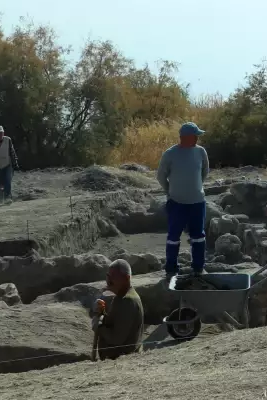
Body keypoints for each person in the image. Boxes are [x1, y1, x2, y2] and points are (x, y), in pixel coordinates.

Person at [157, 122, 211, 277]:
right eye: (195, 136)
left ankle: (198, 267)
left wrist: (196, 186)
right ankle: (171, 268)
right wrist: (170, 191)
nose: (197, 139)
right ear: (185, 137)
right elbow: (161, 176)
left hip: (197, 202)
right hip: (176, 202)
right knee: (173, 236)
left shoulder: (201, 152)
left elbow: (204, 171)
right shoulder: (170, 153)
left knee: (198, 236)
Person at [90, 259, 144, 360]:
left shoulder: (127, 301)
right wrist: (103, 312)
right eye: (108, 276)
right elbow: (117, 323)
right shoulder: (121, 296)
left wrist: (98, 326)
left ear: (126, 278)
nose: (108, 280)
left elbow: (116, 339)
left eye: (113, 277)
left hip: (122, 361)